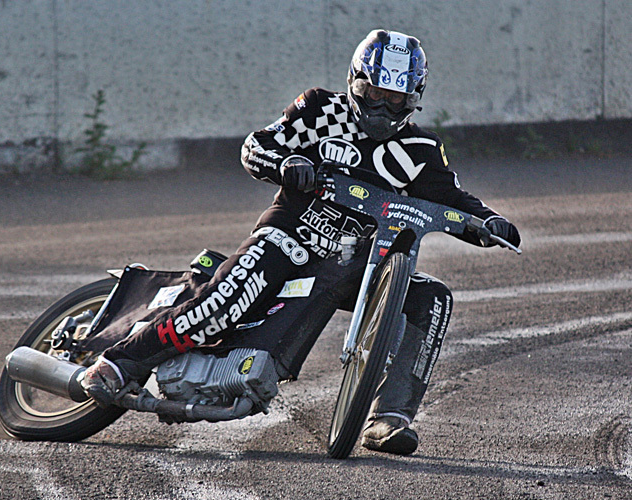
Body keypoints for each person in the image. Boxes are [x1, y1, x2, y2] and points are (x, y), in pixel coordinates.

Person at [79, 29, 520, 455]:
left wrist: (491, 222)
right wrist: (287, 163)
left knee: (434, 297)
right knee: (226, 304)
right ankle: (121, 362)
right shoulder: (318, 109)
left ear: (413, 100)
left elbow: (454, 201)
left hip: (354, 265)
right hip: (289, 237)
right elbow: (256, 146)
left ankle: (390, 417)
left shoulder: (422, 148)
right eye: (374, 93)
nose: (383, 107)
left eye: (396, 99)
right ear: (355, 81)